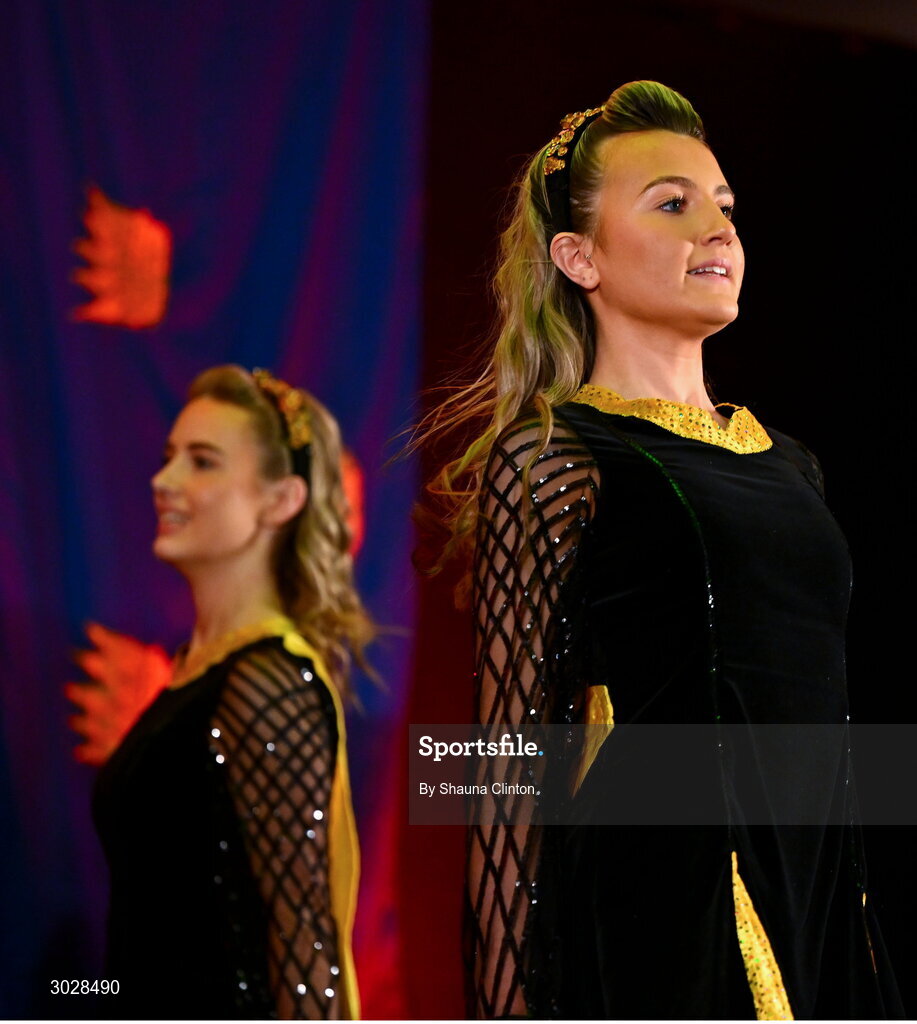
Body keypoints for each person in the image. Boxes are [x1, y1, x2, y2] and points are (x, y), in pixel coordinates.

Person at [419, 81, 904, 1019]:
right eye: (672, 205)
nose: (715, 230)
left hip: (820, 913)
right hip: (663, 930)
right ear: (579, 257)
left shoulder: (789, 464)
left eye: (722, 206)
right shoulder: (558, 456)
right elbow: (506, 766)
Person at [91, 365, 372, 1019]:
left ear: (281, 500)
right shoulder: (198, 677)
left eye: (202, 462)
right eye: (168, 460)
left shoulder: (268, 683)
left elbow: (306, 951)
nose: (164, 482)